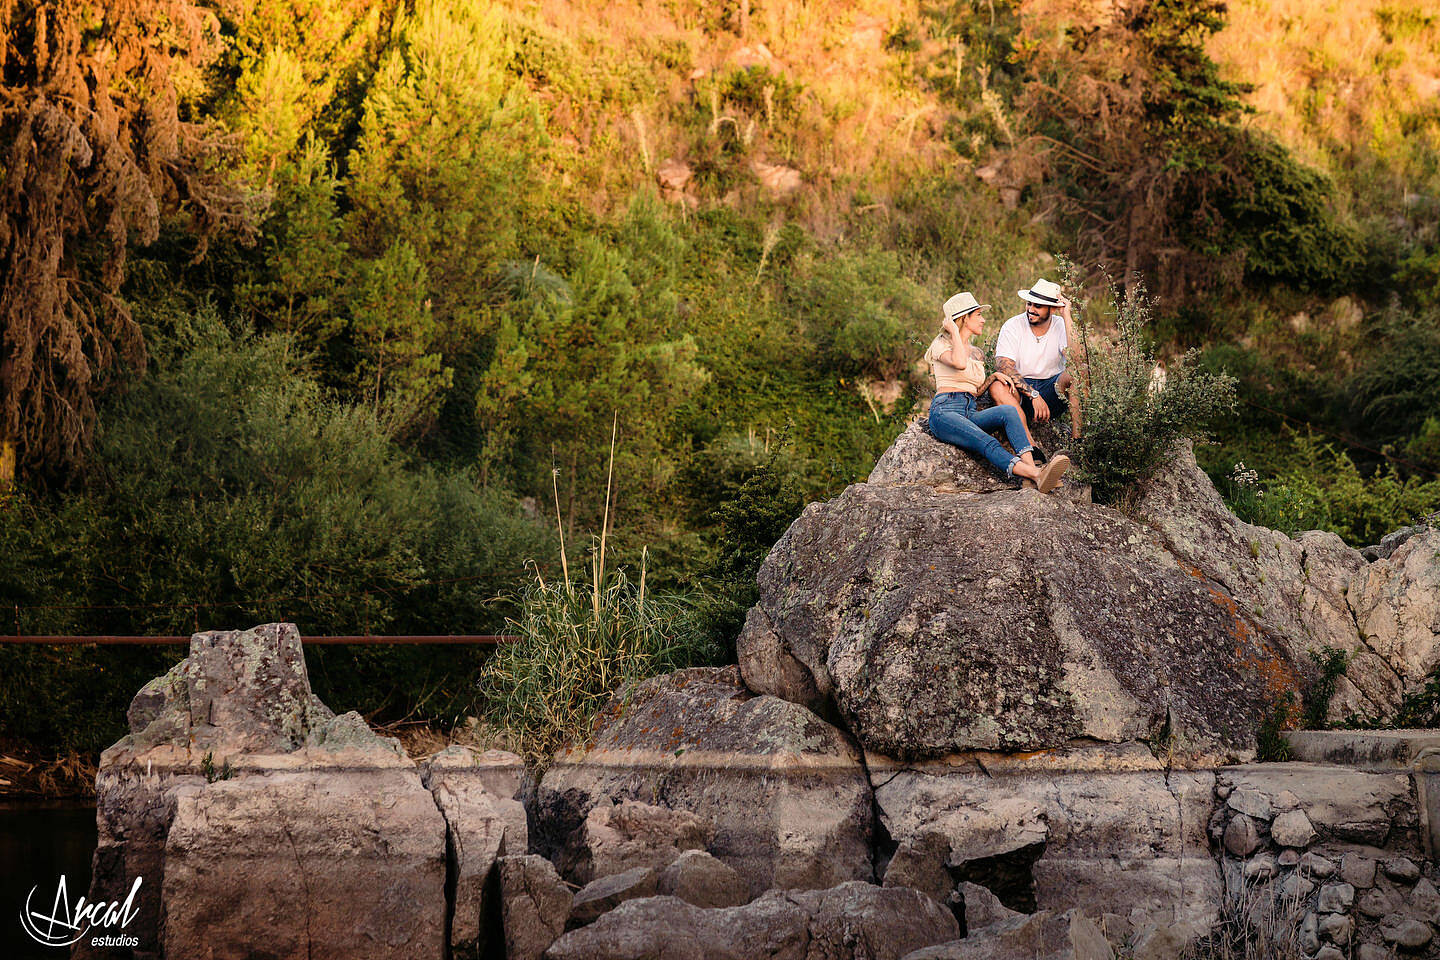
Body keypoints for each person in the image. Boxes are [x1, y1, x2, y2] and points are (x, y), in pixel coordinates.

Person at [925, 291, 1070, 492]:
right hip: (945, 411)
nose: (983, 320)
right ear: (964, 318)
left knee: (1008, 412)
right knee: (987, 442)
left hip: (968, 410)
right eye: (978, 315)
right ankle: (1036, 474)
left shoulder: (976, 353)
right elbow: (958, 362)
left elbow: (973, 392)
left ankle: (1033, 466)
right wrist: (954, 332)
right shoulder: (941, 344)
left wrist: (992, 377)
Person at [992, 277, 1084, 447]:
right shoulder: (1012, 325)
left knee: (1079, 372)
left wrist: (1067, 316)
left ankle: (1078, 441)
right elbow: (1003, 366)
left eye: (1038, 306)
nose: (1031, 309)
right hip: (1020, 392)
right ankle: (1031, 446)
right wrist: (1033, 394)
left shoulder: (1061, 325)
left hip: (1052, 391)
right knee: (997, 385)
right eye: (1029, 304)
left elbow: (1077, 360)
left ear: (1053, 309)